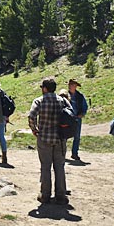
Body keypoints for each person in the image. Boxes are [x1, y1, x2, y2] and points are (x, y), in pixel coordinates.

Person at [28, 77, 71, 205]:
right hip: (60, 138)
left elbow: (31, 116)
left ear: (45, 88)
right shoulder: (62, 100)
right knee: (59, 167)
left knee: (45, 167)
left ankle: (45, 195)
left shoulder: (39, 101)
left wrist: (35, 130)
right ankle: (61, 196)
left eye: (42, 87)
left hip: (44, 138)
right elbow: (71, 115)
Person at [67, 78, 88, 161]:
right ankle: (62, 152)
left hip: (77, 118)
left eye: (72, 84)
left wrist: (82, 114)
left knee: (77, 137)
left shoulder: (80, 96)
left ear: (75, 86)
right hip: (67, 118)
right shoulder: (65, 95)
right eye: (70, 84)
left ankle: (74, 153)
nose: (70, 86)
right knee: (64, 136)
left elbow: (85, 107)